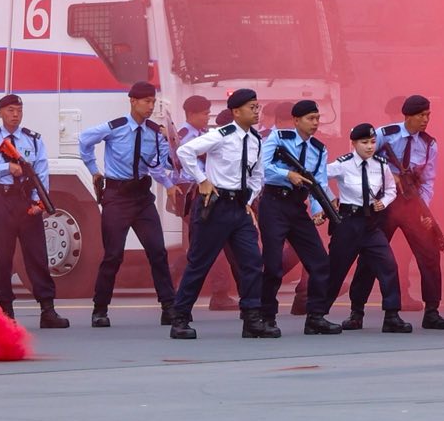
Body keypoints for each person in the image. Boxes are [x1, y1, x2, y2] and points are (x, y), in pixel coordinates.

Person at [169, 88, 280, 339]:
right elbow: (185, 152)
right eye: (251, 107)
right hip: (216, 206)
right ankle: (180, 318)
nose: (256, 111)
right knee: (200, 263)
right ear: (236, 111)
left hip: (240, 209)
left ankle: (252, 318)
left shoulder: (256, 140)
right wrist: (202, 180)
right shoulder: (221, 134)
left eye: (257, 107)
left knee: (252, 262)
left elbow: (257, 176)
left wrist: (249, 202)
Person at [76, 81, 179, 328]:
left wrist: (169, 173)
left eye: (153, 102)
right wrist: (93, 169)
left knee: (158, 252)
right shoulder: (116, 127)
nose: (150, 106)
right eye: (146, 101)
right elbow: (84, 139)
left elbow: (159, 164)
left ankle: (169, 307)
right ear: (132, 101)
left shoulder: (155, 131)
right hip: (117, 197)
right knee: (113, 255)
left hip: (142, 198)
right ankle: (100, 309)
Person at [349, 95, 444, 329]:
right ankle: (356, 312)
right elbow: (361, 159)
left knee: (430, 254)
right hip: (384, 204)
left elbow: (428, 180)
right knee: (370, 256)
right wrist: (389, 174)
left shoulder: (429, 144)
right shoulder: (384, 135)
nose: (425, 120)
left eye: (428, 115)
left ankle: (432, 311)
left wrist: (424, 207)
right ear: (407, 116)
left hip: (412, 203)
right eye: (421, 115)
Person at [0, 94, 68, 328]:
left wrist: (39, 203)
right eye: (11, 110)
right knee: (4, 258)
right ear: (0, 113)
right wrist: (7, 168)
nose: (15, 115)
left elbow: (41, 172)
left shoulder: (32, 140)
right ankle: (5, 312)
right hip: (1, 201)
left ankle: (47, 309)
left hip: (27, 202)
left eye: (19, 110)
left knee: (37, 256)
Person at [258, 100, 344, 335]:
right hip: (274, 202)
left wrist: (319, 208)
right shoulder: (277, 138)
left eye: (317, 118)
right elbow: (263, 168)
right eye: (310, 119)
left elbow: (318, 183)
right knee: (274, 264)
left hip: (298, 205)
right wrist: (288, 174)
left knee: (319, 261)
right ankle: (266, 317)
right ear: (296, 121)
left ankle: (316, 316)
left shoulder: (318, 148)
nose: (315, 123)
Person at [323, 124, 415, 333]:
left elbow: (391, 188)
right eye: (364, 142)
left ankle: (392, 314)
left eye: (372, 142)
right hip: (348, 222)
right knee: (336, 269)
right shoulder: (342, 164)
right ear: (353, 143)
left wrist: (384, 201)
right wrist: (330, 200)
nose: (369, 147)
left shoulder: (381, 165)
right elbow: (319, 178)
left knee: (388, 265)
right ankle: (318, 314)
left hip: (371, 223)